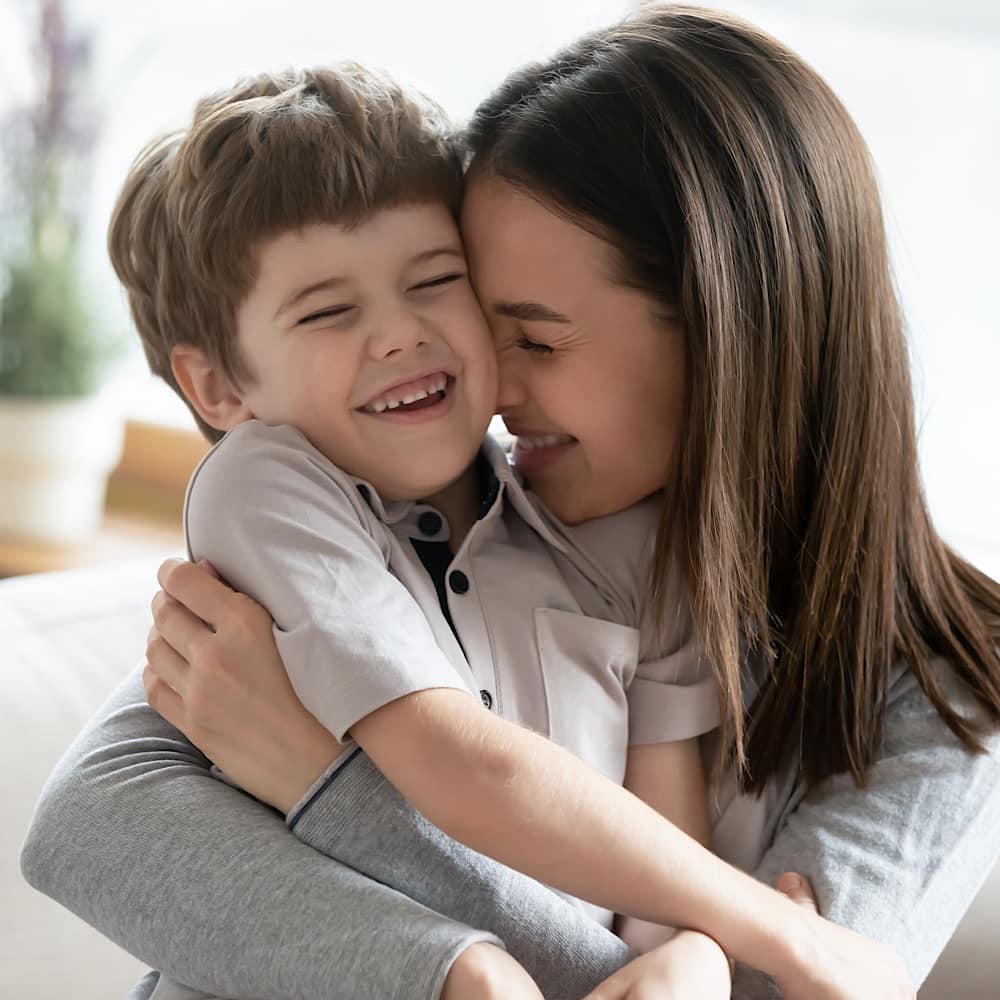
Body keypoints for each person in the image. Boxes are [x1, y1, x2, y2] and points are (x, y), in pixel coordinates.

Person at [21, 5, 1000, 999]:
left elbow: (789, 982)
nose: (483, 377)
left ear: (723, 333)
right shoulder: (421, 508)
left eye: (531, 337)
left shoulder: (953, 700)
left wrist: (332, 792)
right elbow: (99, 820)